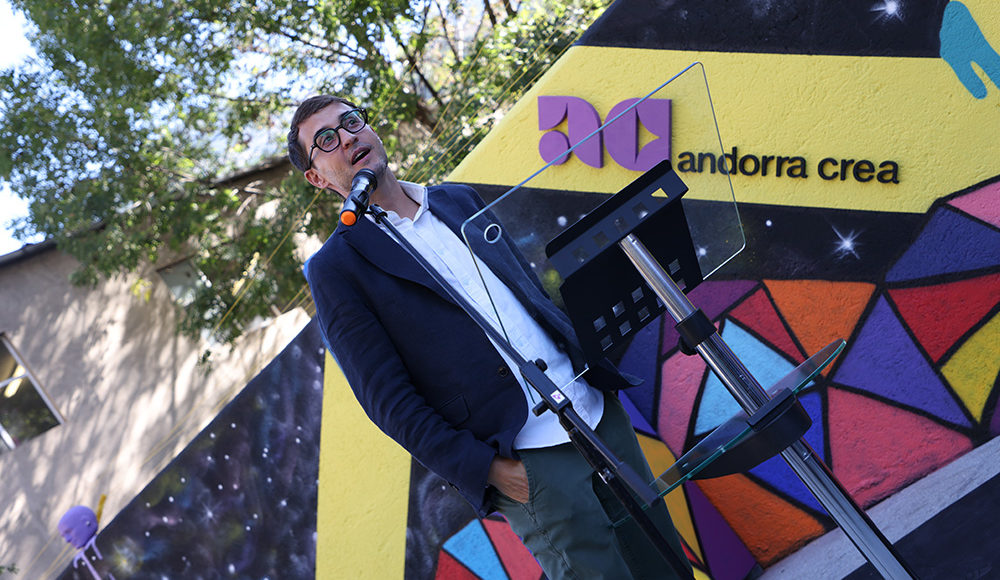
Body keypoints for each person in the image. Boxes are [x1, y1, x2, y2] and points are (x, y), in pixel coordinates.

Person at [289, 95, 690, 579]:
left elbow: (529, 294)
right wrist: (489, 471)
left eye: (351, 122)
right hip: (525, 458)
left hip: (595, 413)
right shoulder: (336, 268)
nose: (347, 137)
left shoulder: (458, 199)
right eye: (326, 139)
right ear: (317, 178)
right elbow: (388, 403)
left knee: (667, 565)